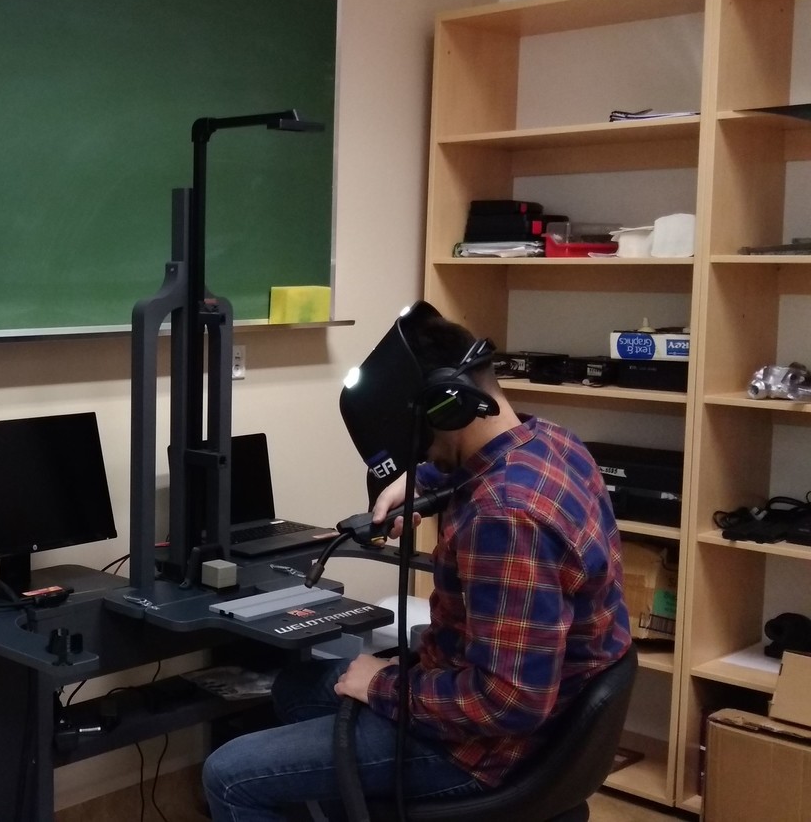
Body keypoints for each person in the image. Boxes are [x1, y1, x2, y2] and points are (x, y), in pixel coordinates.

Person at [202, 306, 631, 821]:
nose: (420, 455)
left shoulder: (504, 518)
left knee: (230, 775)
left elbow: (507, 702)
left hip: (483, 752)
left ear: (448, 411)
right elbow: (472, 468)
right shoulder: (553, 443)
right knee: (298, 688)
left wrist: (382, 687)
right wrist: (421, 476)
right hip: (541, 717)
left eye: (421, 440)